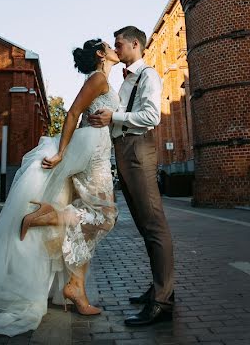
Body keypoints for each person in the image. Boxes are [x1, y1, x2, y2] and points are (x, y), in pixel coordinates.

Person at [0, 38, 121, 339]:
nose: (115, 49)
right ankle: (47, 216)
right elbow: (72, 113)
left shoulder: (103, 79)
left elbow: (87, 116)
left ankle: (76, 288)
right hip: (91, 150)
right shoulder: (97, 78)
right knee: (105, 216)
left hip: (97, 145)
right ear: (100, 53)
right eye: (111, 45)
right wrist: (61, 153)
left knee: (89, 223)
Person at [88, 25, 173, 326]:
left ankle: (163, 302)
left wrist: (115, 118)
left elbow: (151, 116)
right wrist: (103, 120)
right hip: (123, 150)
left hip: (138, 149)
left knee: (154, 224)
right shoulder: (126, 80)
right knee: (143, 224)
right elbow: (117, 116)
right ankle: (160, 287)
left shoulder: (148, 75)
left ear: (135, 44)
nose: (116, 48)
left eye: (119, 44)